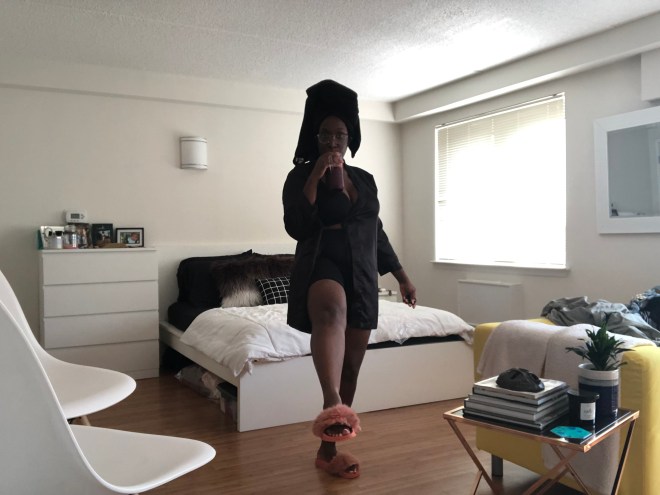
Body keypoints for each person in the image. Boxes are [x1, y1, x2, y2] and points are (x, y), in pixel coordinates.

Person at [282, 80, 417, 479]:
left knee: (352, 368)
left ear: (349, 138)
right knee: (331, 310)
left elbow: (376, 231)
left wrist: (402, 276)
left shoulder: (365, 179)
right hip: (321, 259)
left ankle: (329, 449)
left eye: (340, 135)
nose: (333, 141)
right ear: (316, 137)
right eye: (326, 134)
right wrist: (315, 175)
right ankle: (332, 402)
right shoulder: (299, 176)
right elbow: (296, 226)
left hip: (361, 270)